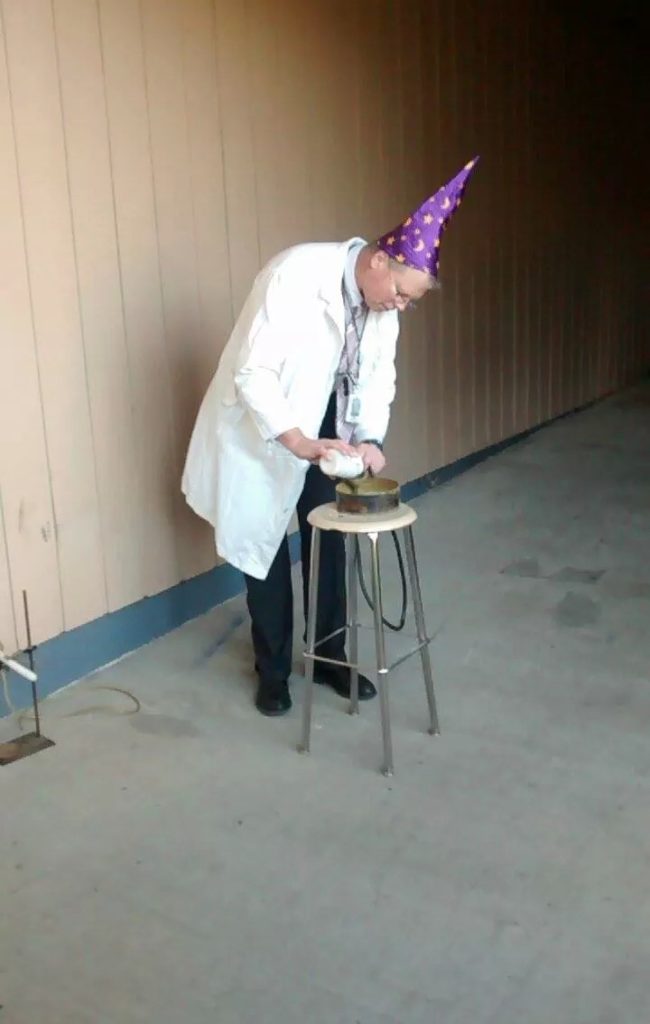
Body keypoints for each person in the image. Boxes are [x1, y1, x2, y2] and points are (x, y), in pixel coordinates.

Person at [182, 158, 478, 716]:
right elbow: (255, 373)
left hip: (329, 424)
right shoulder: (294, 276)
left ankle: (330, 659)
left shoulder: (382, 299)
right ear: (378, 261)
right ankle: (272, 673)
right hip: (268, 427)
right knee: (265, 554)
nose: (402, 306)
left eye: (411, 300)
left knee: (331, 540)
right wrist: (296, 441)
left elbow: (378, 374)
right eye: (402, 293)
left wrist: (368, 438)